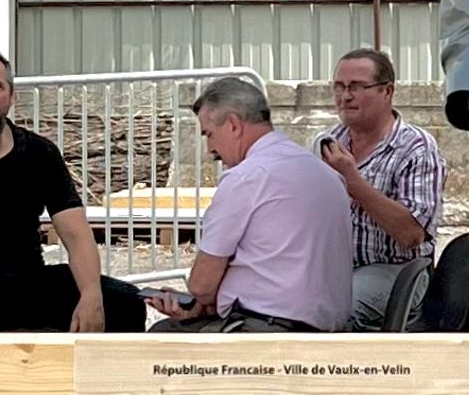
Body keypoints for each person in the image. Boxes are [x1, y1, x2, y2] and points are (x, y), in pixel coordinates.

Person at [0, 49, 147, 332]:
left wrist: (91, 296)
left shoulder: (41, 153)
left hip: (22, 278)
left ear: (12, 96)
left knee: (126, 304)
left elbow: (76, 233)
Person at [148, 73, 353, 335]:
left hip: (263, 330)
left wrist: (200, 302)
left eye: (209, 134)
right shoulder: (328, 174)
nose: (210, 149)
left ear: (233, 125)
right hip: (327, 330)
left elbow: (202, 285)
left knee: (160, 337)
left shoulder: (246, 177)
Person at [317, 48, 444, 328]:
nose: (345, 96)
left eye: (356, 87)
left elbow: (411, 234)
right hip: (333, 266)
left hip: (395, 270)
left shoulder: (417, 148)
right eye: (338, 86)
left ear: (387, 91)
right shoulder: (326, 142)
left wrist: (352, 181)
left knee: (337, 309)